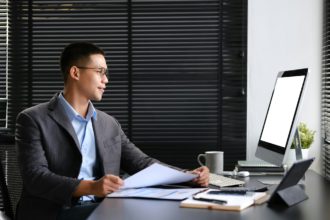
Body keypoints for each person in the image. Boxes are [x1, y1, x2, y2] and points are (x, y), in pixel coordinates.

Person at [15, 42, 209, 220]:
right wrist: (92, 187)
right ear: (75, 72)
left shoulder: (108, 123)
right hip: (54, 213)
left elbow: (141, 163)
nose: (106, 80)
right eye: (100, 71)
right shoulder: (33, 119)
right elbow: (35, 177)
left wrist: (189, 176)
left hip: (103, 208)